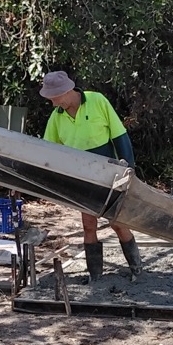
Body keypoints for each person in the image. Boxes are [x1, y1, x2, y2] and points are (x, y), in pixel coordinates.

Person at [39, 70, 144, 281]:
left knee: (117, 223)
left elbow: (119, 135)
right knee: (89, 224)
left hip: (108, 173)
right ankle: (95, 275)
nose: (52, 104)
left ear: (68, 92)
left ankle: (136, 268)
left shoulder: (97, 101)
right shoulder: (56, 117)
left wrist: (129, 169)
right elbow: (49, 150)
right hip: (81, 178)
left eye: (55, 99)